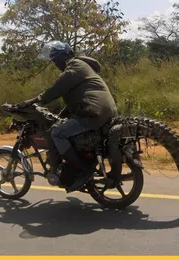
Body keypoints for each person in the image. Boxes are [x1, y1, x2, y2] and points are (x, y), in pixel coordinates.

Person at [16, 40, 118, 192]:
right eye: (54, 61)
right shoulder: (82, 66)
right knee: (63, 127)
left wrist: (34, 100)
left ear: (67, 55)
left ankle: (83, 169)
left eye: (57, 59)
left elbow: (57, 89)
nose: (56, 64)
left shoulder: (74, 66)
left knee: (57, 133)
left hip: (93, 113)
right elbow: (73, 99)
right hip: (103, 111)